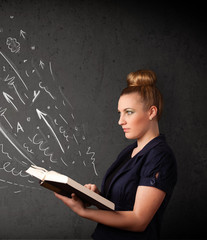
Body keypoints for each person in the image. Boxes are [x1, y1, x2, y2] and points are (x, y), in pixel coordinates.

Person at [55, 69, 177, 239]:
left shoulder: (160, 156)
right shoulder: (128, 152)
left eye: (128, 112)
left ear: (151, 112)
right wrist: (95, 197)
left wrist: (83, 211)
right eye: (119, 113)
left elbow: (138, 221)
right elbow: (118, 207)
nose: (120, 121)